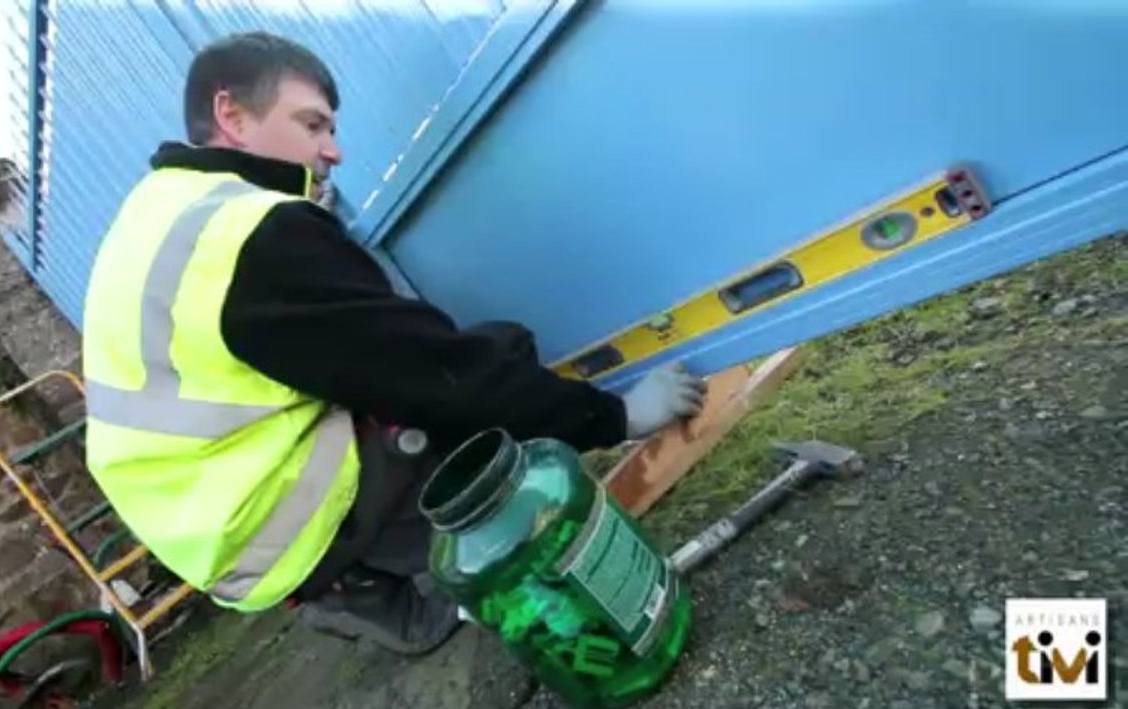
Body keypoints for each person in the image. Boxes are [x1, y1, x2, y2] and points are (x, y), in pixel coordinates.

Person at [81, 31, 707, 656]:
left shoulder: (159, 211)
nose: (334, 150)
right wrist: (616, 416)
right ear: (232, 116)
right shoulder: (253, 234)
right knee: (490, 360)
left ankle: (367, 589)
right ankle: (410, 559)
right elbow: (438, 373)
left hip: (213, 535)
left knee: (434, 373)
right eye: (313, 125)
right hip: (281, 517)